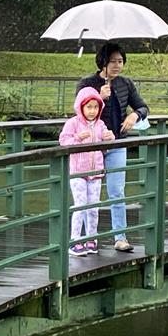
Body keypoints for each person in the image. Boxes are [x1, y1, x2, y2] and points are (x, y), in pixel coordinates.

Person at [76, 42, 150, 252]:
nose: (117, 65)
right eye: (113, 61)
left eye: (120, 61)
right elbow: (78, 111)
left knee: (117, 191)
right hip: (92, 146)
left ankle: (120, 237)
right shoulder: (87, 83)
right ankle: (85, 238)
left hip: (117, 144)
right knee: (90, 194)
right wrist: (99, 97)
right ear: (102, 62)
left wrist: (135, 115)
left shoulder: (126, 83)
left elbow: (143, 107)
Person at [59, 87, 115, 256]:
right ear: (81, 107)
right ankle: (75, 241)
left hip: (96, 171)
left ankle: (92, 239)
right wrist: (77, 138)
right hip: (78, 172)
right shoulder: (73, 123)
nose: (92, 111)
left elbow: (107, 138)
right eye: (88, 107)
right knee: (80, 205)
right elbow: (63, 140)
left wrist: (109, 137)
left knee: (93, 207)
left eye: (95, 107)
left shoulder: (100, 124)